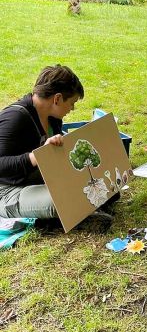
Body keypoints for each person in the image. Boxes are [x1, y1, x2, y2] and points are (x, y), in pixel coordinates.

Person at [0, 65, 84, 220]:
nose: (72, 108)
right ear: (57, 99)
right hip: (7, 189)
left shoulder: (53, 117)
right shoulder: (15, 117)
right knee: (62, 201)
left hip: (36, 178)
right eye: (72, 103)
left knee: (93, 184)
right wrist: (36, 156)